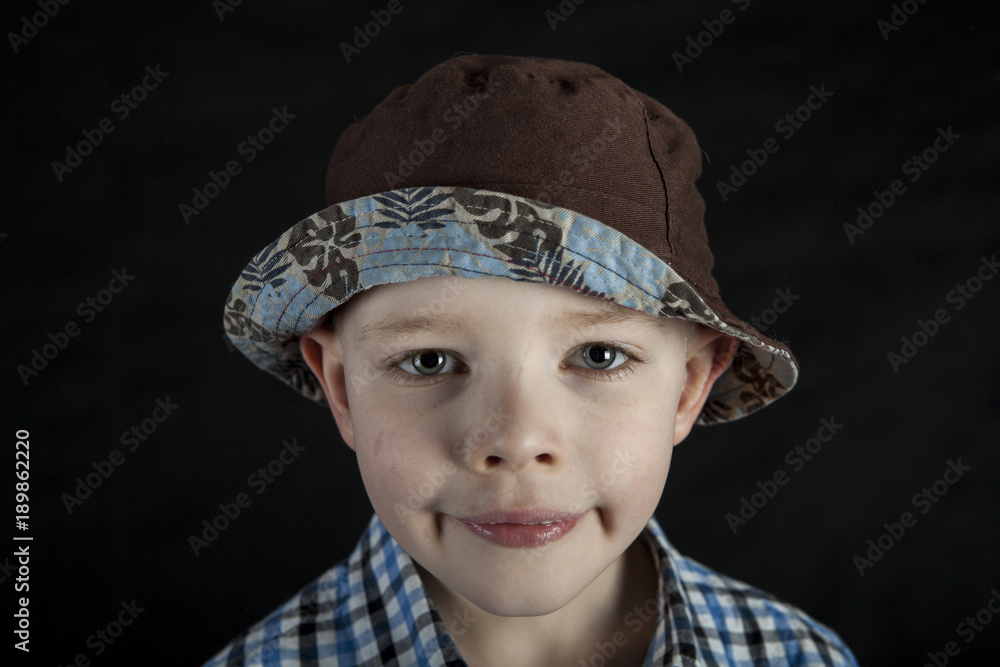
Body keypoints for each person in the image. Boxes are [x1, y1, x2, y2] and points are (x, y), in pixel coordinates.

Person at [208, 54, 857, 666]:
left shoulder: (798, 656)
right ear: (342, 388)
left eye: (598, 355)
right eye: (429, 360)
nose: (516, 441)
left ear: (688, 385)